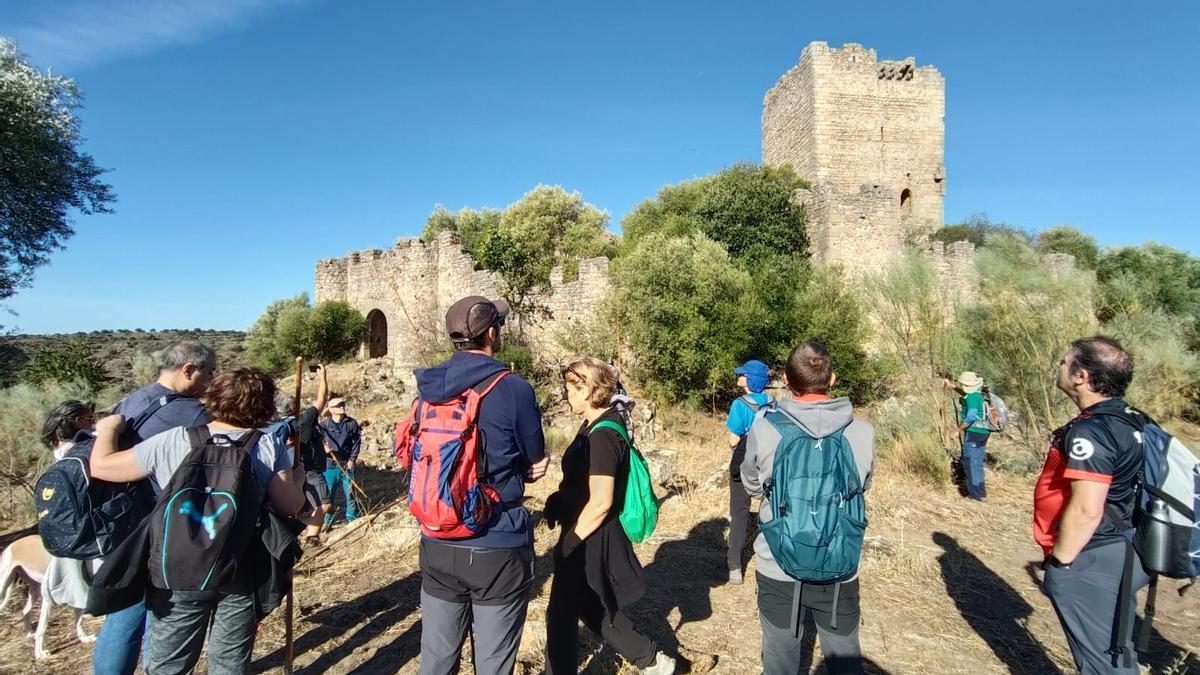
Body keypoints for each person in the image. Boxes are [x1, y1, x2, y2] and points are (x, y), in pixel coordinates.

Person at [89, 367, 306, 675]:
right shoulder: (265, 445)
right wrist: (297, 477)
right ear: (264, 407)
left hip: (176, 569)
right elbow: (291, 506)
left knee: (169, 665)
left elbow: (102, 467)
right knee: (229, 663)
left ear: (212, 398)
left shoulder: (174, 440)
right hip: (240, 567)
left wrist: (108, 429)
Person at [414, 295, 549, 675]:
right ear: (491, 332)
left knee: (437, 660)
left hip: (437, 538)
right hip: (497, 543)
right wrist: (530, 468)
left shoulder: (428, 387)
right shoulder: (514, 388)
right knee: (493, 662)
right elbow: (534, 457)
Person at [741, 342, 875, 675]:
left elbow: (751, 484)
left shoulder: (764, 428)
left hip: (778, 560)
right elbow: (863, 485)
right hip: (839, 563)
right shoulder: (862, 432)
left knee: (779, 655)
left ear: (786, 379)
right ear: (832, 380)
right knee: (844, 657)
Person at [543, 357, 675, 675]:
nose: (566, 394)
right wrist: (559, 502)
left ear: (588, 389)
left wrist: (571, 542)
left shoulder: (603, 435)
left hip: (590, 535)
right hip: (587, 529)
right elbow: (583, 484)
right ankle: (655, 662)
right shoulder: (594, 423)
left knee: (560, 614)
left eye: (571, 388)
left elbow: (601, 501)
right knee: (592, 605)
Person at [93, 341, 216, 675]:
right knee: (159, 614)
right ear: (188, 370)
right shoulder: (192, 415)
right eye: (208, 373)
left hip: (122, 521)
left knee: (122, 615)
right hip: (166, 523)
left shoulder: (131, 401)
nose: (210, 381)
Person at [1034, 336, 1147, 674]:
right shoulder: (1134, 419)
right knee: (1115, 650)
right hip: (1126, 546)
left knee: (1102, 663)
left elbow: (1087, 509)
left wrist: (1062, 563)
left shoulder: (1092, 431)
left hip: (1092, 554)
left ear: (1081, 376)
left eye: (1064, 361)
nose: (1059, 365)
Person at [726, 359, 772, 585]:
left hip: (744, 465)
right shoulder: (774, 403)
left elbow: (733, 441)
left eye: (743, 374)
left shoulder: (739, 405)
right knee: (770, 511)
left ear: (750, 379)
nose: (739, 376)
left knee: (739, 514)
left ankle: (734, 567)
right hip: (768, 465)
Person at [291, 365, 331, 545]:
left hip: (293, 471)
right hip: (310, 471)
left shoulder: (281, 425)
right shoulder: (304, 420)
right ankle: (311, 539)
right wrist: (323, 376)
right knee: (324, 504)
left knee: (300, 507)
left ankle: (300, 538)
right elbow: (322, 398)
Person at [321, 397, 362, 524]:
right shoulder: (324, 425)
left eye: (343, 404)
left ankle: (353, 518)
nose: (342, 406)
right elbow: (316, 442)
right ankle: (328, 521)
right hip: (330, 465)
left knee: (350, 493)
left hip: (347, 464)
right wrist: (323, 448)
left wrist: (352, 459)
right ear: (331, 410)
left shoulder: (351, 424)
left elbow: (357, 442)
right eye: (339, 405)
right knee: (328, 494)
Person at [955, 371, 991, 501]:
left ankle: (974, 494)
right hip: (984, 433)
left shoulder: (971, 398)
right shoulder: (978, 395)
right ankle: (981, 493)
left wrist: (957, 430)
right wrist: (953, 387)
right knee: (978, 462)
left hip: (973, 433)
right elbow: (965, 394)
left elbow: (970, 417)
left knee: (970, 462)